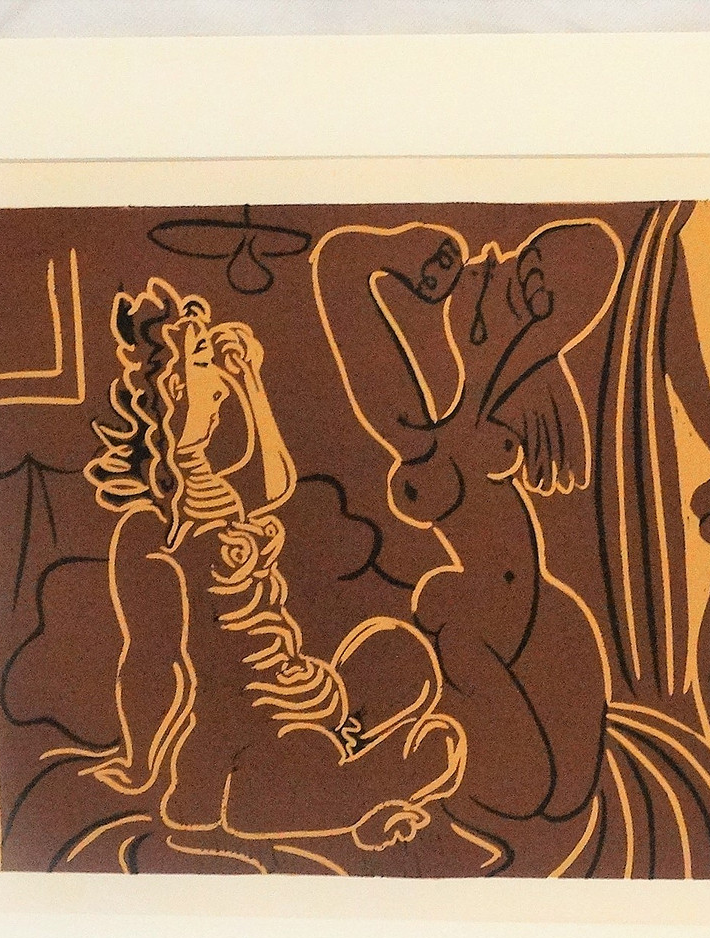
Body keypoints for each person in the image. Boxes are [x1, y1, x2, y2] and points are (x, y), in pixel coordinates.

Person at [74, 278, 466, 867]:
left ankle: (346, 759)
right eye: (204, 361)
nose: (219, 380)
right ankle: (365, 789)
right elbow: (152, 658)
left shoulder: (214, 488)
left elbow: (272, 481)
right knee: (437, 747)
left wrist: (249, 379)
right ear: (175, 388)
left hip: (300, 688)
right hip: (246, 729)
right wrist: (138, 762)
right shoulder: (153, 530)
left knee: (398, 654)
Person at [312, 219, 624, 872]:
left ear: (530, 303)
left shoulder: (447, 441)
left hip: (514, 727)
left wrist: (393, 250)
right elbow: (338, 266)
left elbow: (341, 269)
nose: (485, 254)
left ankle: (342, 772)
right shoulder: (472, 432)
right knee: (407, 642)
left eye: (512, 264)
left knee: (394, 652)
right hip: (531, 712)